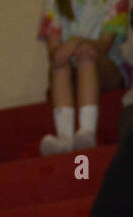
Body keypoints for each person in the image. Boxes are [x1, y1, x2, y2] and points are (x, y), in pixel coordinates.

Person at [38, 0, 131, 154]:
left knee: (86, 55)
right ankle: (64, 138)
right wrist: (60, 55)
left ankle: (87, 131)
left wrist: (76, 42)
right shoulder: (54, 3)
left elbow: (104, 45)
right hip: (72, 69)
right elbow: (53, 50)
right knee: (60, 63)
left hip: (108, 66)